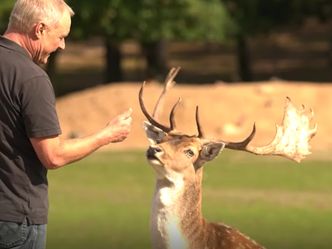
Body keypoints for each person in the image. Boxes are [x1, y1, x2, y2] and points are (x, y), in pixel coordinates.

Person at [0, 0, 132, 248]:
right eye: (60, 36)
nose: (62, 45)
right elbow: (53, 156)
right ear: (39, 29)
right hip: (15, 220)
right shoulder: (31, 78)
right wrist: (108, 134)